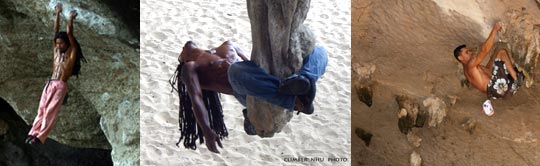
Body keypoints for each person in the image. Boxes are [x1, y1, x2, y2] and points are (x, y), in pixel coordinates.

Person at [170, 40, 328, 153]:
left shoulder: (228, 44)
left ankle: (303, 80)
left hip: (265, 81)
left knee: (319, 51)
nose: (184, 47)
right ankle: (295, 100)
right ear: (183, 59)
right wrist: (206, 129)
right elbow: (196, 99)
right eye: (181, 56)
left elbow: (255, 65)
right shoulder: (190, 67)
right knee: (235, 71)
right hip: (245, 92)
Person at [26, 4, 85, 145]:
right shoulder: (56, 53)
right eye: (57, 44)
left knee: (50, 111)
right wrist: (57, 14)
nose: (58, 45)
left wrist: (70, 19)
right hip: (50, 83)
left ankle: (40, 137)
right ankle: (33, 133)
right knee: (42, 109)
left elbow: (70, 35)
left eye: (61, 44)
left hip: (60, 86)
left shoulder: (71, 54)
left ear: (67, 44)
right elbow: (55, 32)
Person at [453, 21, 523, 114]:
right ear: (460, 58)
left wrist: (494, 56)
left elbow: (488, 71)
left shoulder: (470, 71)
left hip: (498, 92)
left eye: (469, 51)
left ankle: (516, 78)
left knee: (503, 58)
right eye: (467, 52)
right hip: (497, 87)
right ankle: (516, 78)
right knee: (502, 52)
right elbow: (484, 50)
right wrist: (495, 29)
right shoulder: (470, 66)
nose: (470, 52)